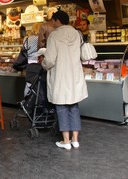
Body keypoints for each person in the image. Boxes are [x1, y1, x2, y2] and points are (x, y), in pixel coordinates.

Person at [41, 10, 88, 150]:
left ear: (57, 20)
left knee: (61, 108)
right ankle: (75, 139)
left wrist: (43, 62)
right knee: (74, 107)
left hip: (60, 76)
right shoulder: (76, 33)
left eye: (53, 20)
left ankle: (66, 141)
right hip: (74, 76)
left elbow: (49, 60)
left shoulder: (54, 36)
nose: (52, 23)